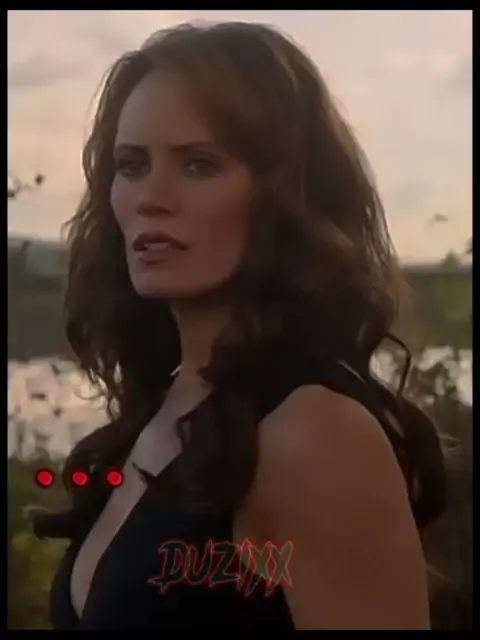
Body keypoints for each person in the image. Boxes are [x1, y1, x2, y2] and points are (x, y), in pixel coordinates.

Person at [30, 21, 446, 630]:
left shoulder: (314, 434)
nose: (150, 197)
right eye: (131, 165)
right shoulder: (165, 411)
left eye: (200, 164)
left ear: (288, 193)